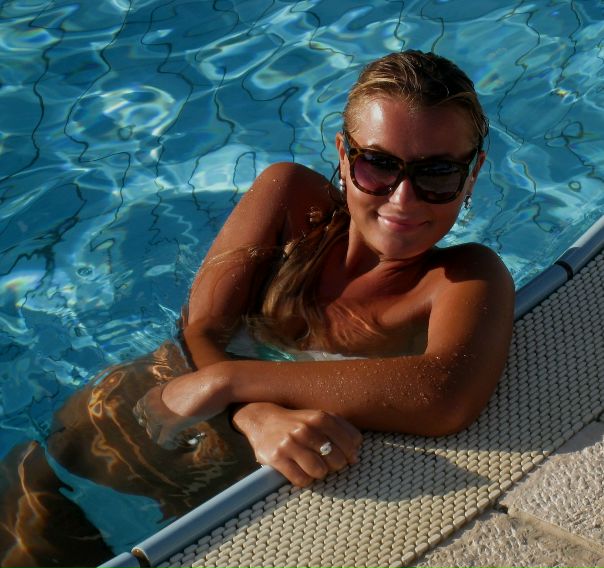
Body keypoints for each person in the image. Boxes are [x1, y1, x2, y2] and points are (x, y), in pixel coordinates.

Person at [0, 50, 514, 567]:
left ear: (472, 173)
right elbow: (200, 329)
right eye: (378, 164)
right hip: (90, 444)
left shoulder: (460, 280)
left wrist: (228, 382)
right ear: (343, 154)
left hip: (195, 500)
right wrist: (253, 415)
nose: (403, 199)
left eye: (438, 173)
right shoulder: (292, 200)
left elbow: (442, 393)